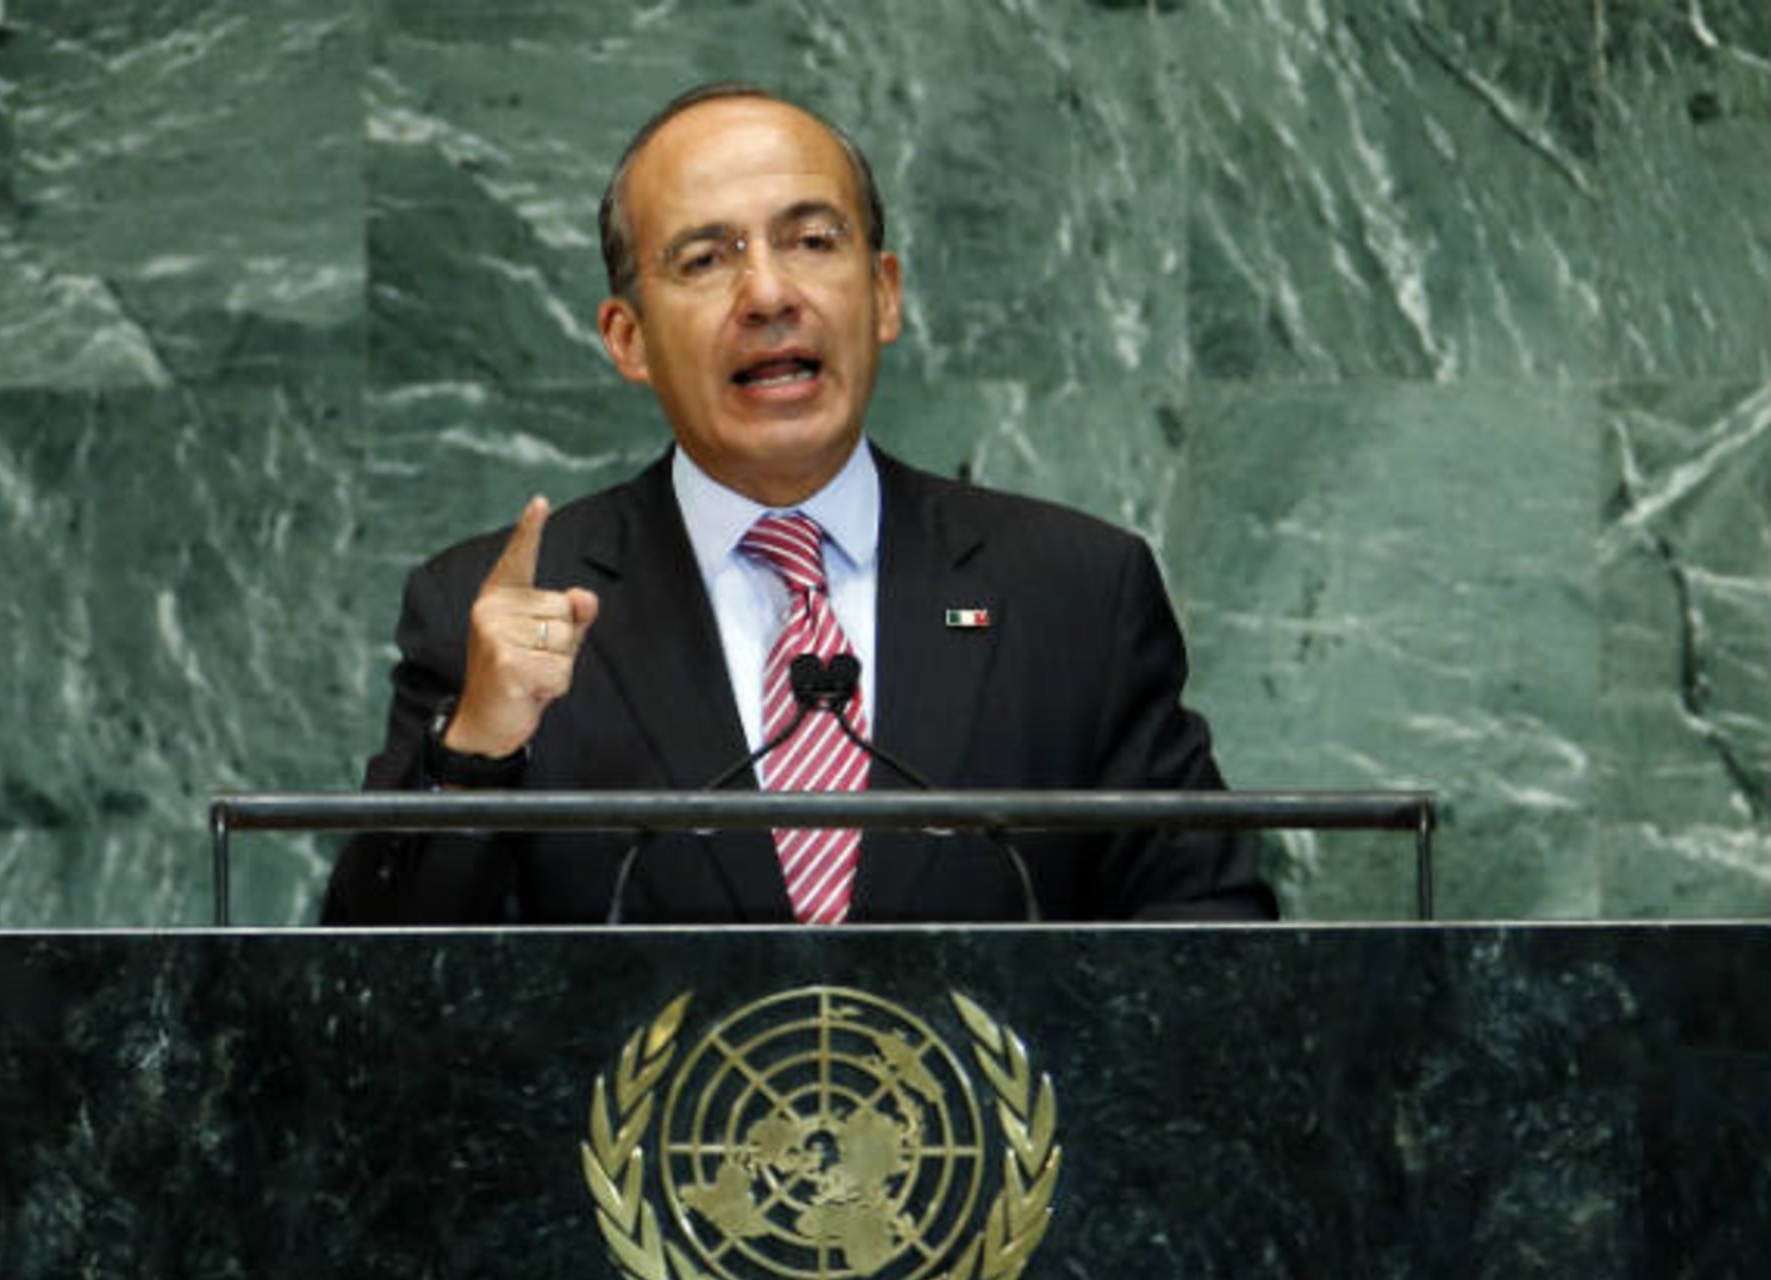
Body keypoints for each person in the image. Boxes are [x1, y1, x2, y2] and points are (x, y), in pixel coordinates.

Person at [321, 82, 1277, 925]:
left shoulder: (1070, 592)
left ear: (885, 294)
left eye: (813, 241)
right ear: (628, 339)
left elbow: (1209, 930)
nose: (769, 292)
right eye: (704, 259)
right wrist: (481, 746)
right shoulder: (488, 617)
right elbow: (368, 994)